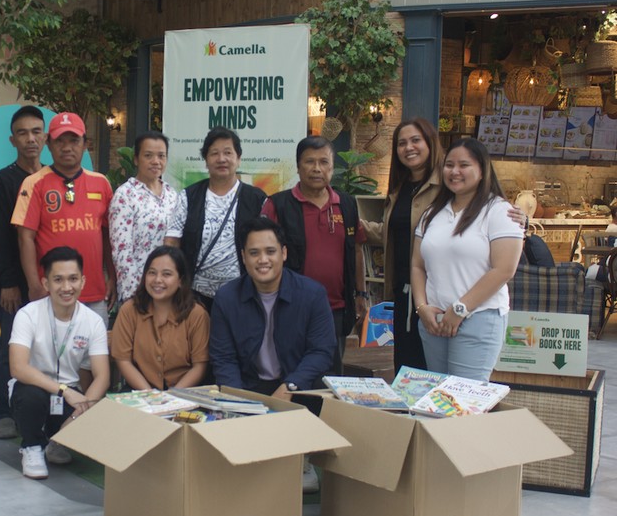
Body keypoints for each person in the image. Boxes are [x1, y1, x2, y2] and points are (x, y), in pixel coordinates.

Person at [210, 217, 334, 492]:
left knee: (299, 483)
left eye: (270, 251)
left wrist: (290, 386)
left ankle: (303, 459)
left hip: (295, 387)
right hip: (249, 387)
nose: (262, 260)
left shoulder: (312, 294)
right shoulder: (227, 297)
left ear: (284, 253)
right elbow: (224, 358)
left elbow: (321, 351)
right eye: (254, 253)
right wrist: (239, 402)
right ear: (243, 257)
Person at [411, 138, 524, 382]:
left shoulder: (500, 211)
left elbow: (504, 269)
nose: (455, 172)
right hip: (435, 321)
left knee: (464, 403)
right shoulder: (432, 213)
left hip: (478, 319)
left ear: (482, 170)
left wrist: (460, 309)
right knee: (437, 400)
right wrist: (421, 307)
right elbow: (417, 265)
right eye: (449, 165)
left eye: (464, 165)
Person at [263, 135, 367, 378]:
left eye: (324, 162)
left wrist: (361, 293)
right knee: (290, 374)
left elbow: (357, 249)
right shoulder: (278, 205)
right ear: (298, 166)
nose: (317, 168)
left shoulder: (347, 204)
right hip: (289, 307)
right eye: (309, 162)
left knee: (329, 377)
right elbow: (264, 255)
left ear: (332, 168)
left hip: (336, 309)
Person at [8, 246, 110, 480]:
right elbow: (18, 367)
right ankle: (32, 447)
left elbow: (102, 376)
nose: (67, 287)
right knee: (31, 396)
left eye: (73, 279)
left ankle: (58, 441)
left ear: (83, 281)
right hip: (33, 390)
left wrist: (82, 410)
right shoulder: (28, 314)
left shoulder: (93, 321)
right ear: (45, 283)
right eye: (58, 280)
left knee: (96, 410)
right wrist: (64, 390)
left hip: (69, 396)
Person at [11, 111, 116, 324]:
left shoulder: (101, 183)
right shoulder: (34, 183)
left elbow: (107, 235)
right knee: (50, 356)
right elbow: (25, 239)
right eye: (60, 141)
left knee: (94, 355)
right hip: (51, 293)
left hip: (94, 293)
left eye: (74, 140)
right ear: (48, 143)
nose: (67, 147)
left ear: (85, 144)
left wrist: (113, 277)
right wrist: (34, 285)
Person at [360, 118, 444, 371]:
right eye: (402, 143)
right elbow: (390, 232)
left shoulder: (447, 185)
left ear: (430, 143)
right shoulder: (400, 187)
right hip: (402, 290)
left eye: (415, 140)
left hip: (433, 294)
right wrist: (349, 221)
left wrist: (515, 216)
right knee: (406, 367)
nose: (409, 148)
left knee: (430, 368)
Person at [0, 105, 45, 440]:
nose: (30, 139)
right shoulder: (2, 181)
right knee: (12, 346)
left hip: (50, 283)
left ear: (45, 136)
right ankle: (3, 413)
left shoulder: (53, 178)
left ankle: (41, 411)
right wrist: (7, 282)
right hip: (16, 286)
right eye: (22, 133)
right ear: (13, 139)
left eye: (36, 131)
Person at [165, 126, 267, 310]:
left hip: (244, 295)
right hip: (196, 298)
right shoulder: (189, 197)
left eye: (228, 152)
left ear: (238, 158)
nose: (221, 159)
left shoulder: (257, 199)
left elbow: (267, 246)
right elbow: (172, 242)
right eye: (214, 153)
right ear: (206, 160)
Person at [111, 246, 210, 390]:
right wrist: (151, 396)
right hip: (140, 392)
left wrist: (172, 398)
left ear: (181, 280)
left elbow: (200, 366)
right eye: (152, 273)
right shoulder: (129, 310)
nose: (157, 280)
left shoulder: (196, 315)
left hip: (184, 394)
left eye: (166, 274)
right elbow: (123, 360)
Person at [109, 131, 178, 304]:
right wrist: (135, 294)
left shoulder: (172, 194)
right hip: (139, 291)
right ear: (136, 159)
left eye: (161, 156)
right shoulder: (125, 195)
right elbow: (121, 251)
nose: (156, 161)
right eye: (148, 155)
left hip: (169, 290)